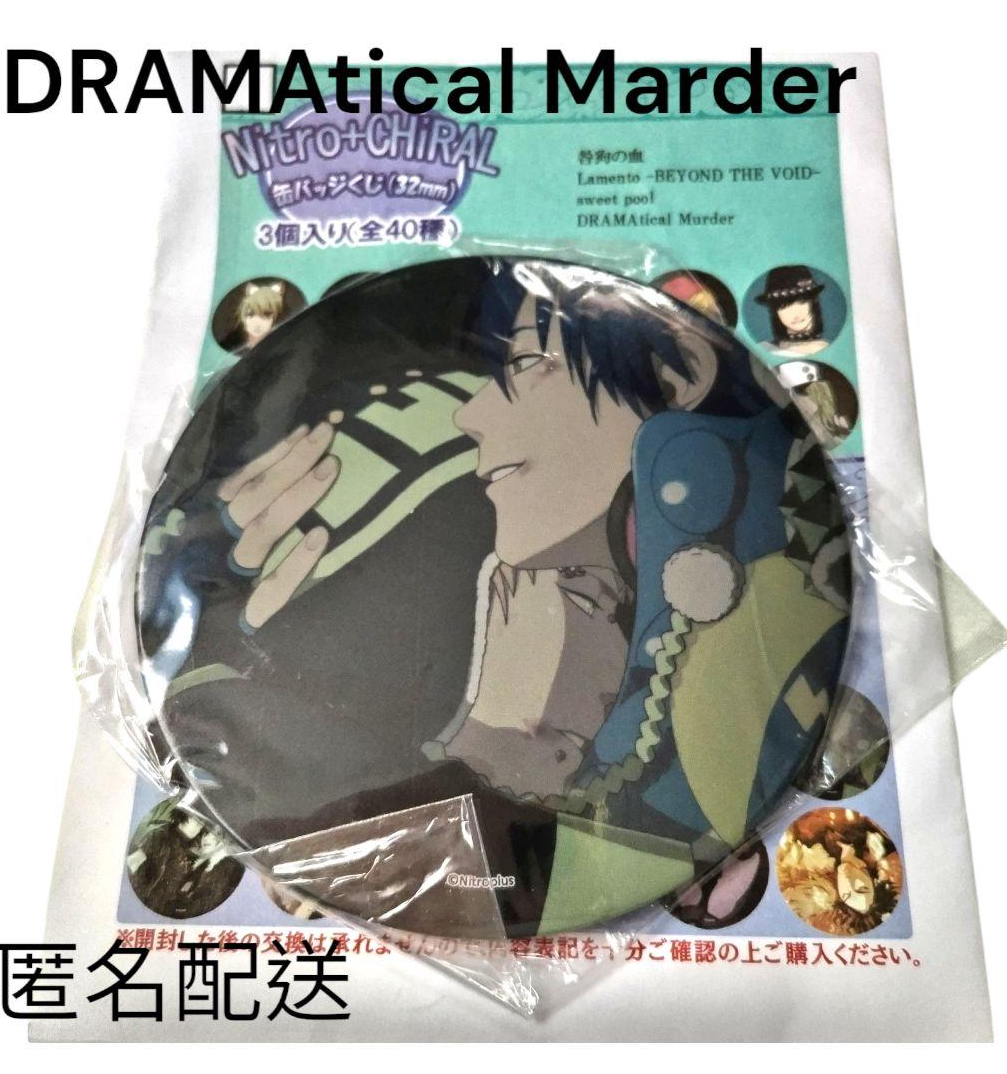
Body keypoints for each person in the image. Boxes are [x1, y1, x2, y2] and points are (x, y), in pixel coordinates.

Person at [144, 259, 850, 934]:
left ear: (677, 375)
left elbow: (588, 868)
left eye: (525, 366)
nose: (471, 415)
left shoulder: (770, 629)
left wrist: (504, 744)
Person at [754, 264, 830, 355]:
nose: (795, 313)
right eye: (783, 306)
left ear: (814, 302)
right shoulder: (762, 351)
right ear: (775, 311)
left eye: (801, 302)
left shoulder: (834, 350)